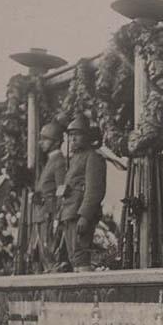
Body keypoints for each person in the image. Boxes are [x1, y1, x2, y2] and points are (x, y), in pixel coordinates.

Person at [58, 114, 107, 272]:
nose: (73, 139)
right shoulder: (75, 159)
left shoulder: (92, 157)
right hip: (69, 213)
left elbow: (94, 189)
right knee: (74, 257)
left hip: (79, 214)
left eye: (77, 135)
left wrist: (85, 215)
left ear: (87, 136)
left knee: (80, 256)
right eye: (71, 135)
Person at [28, 121, 67, 272]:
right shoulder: (51, 161)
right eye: (41, 138)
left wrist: (57, 218)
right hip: (41, 215)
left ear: (56, 141)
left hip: (49, 216)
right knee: (41, 258)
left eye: (46, 139)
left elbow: (61, 191)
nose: (41, 142)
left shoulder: (59, 162)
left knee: (51, 258)